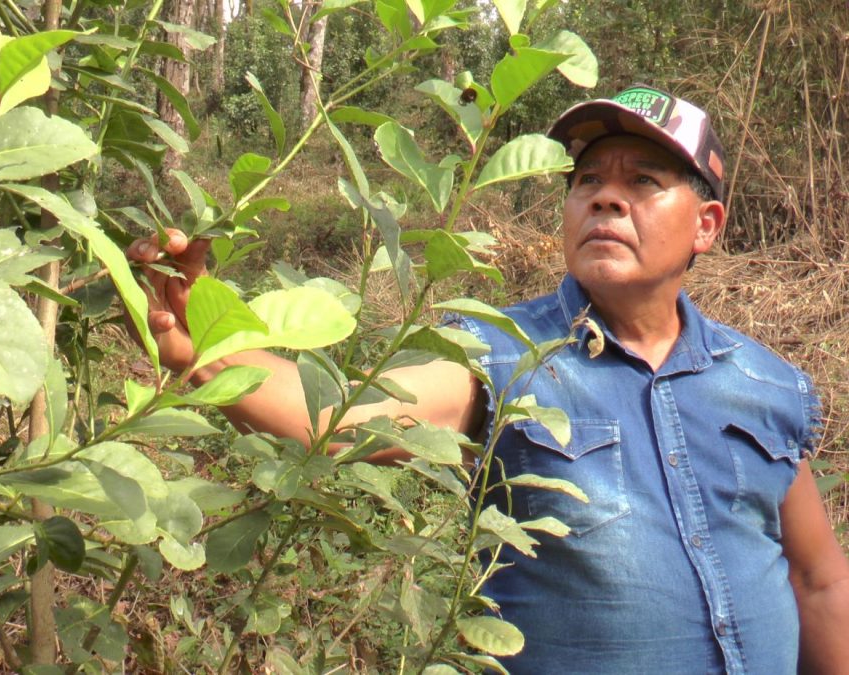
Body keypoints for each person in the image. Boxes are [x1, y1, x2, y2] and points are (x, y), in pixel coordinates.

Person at [126, 84, 849, 673]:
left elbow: (817, 579)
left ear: (707, 225)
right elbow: (341, 420)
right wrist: (209, 348)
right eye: (588, 181)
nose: (604, 198)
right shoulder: (503, 350)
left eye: (644, 182)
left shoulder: (764, 381)